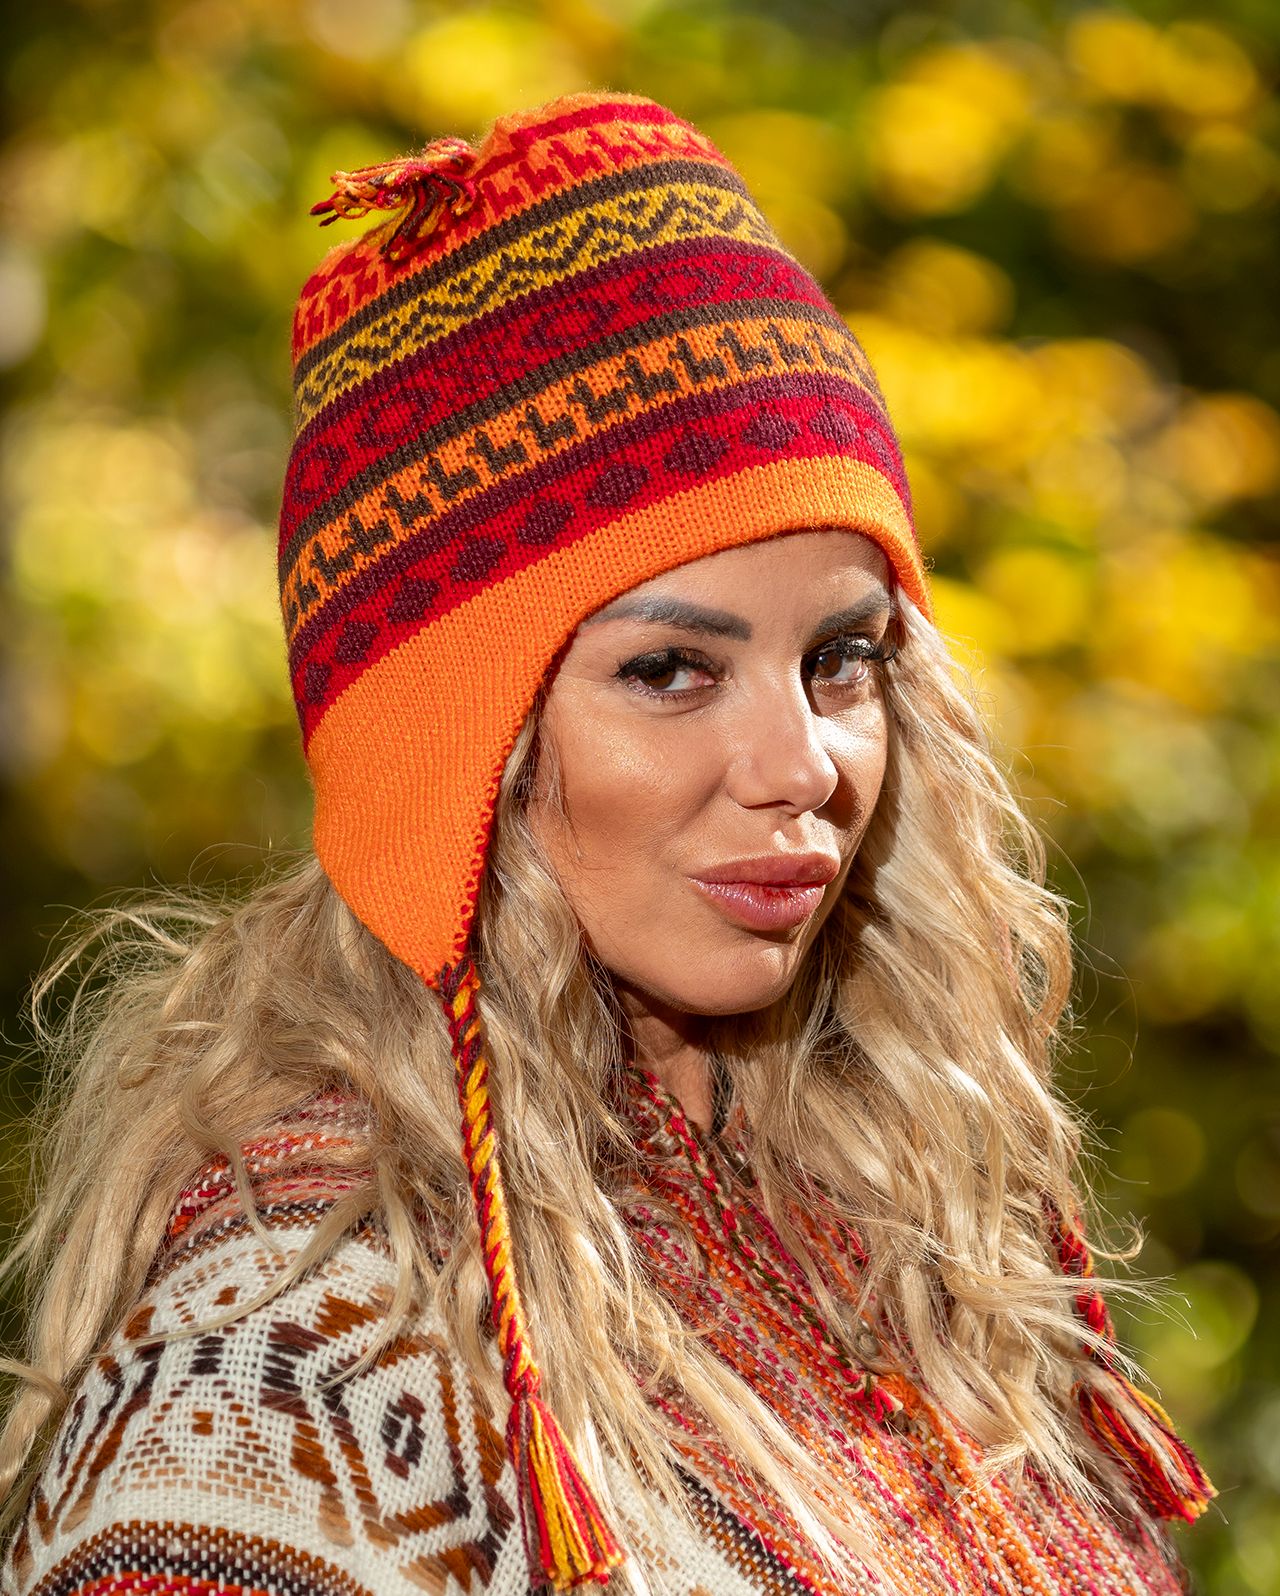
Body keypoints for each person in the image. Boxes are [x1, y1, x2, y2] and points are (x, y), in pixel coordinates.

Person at [0, 92, 1214, 1596]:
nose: (802, 764)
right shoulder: (282, 1366)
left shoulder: (894, 1234)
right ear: (453, 753)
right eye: (671, 670)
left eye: (841, 659)